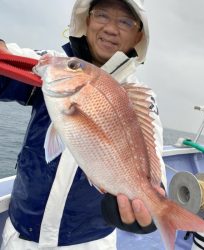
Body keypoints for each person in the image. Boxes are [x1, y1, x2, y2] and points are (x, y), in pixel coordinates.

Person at [0, 0, 166, 249]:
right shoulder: (58, 66)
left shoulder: (141, 97)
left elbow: (153, 155)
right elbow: (13, 61)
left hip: (88, 242)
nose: (111, 28)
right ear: (86, 21)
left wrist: (152, 205)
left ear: (138, 36)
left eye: (125, 21)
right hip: (21, 234)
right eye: (102, 15)